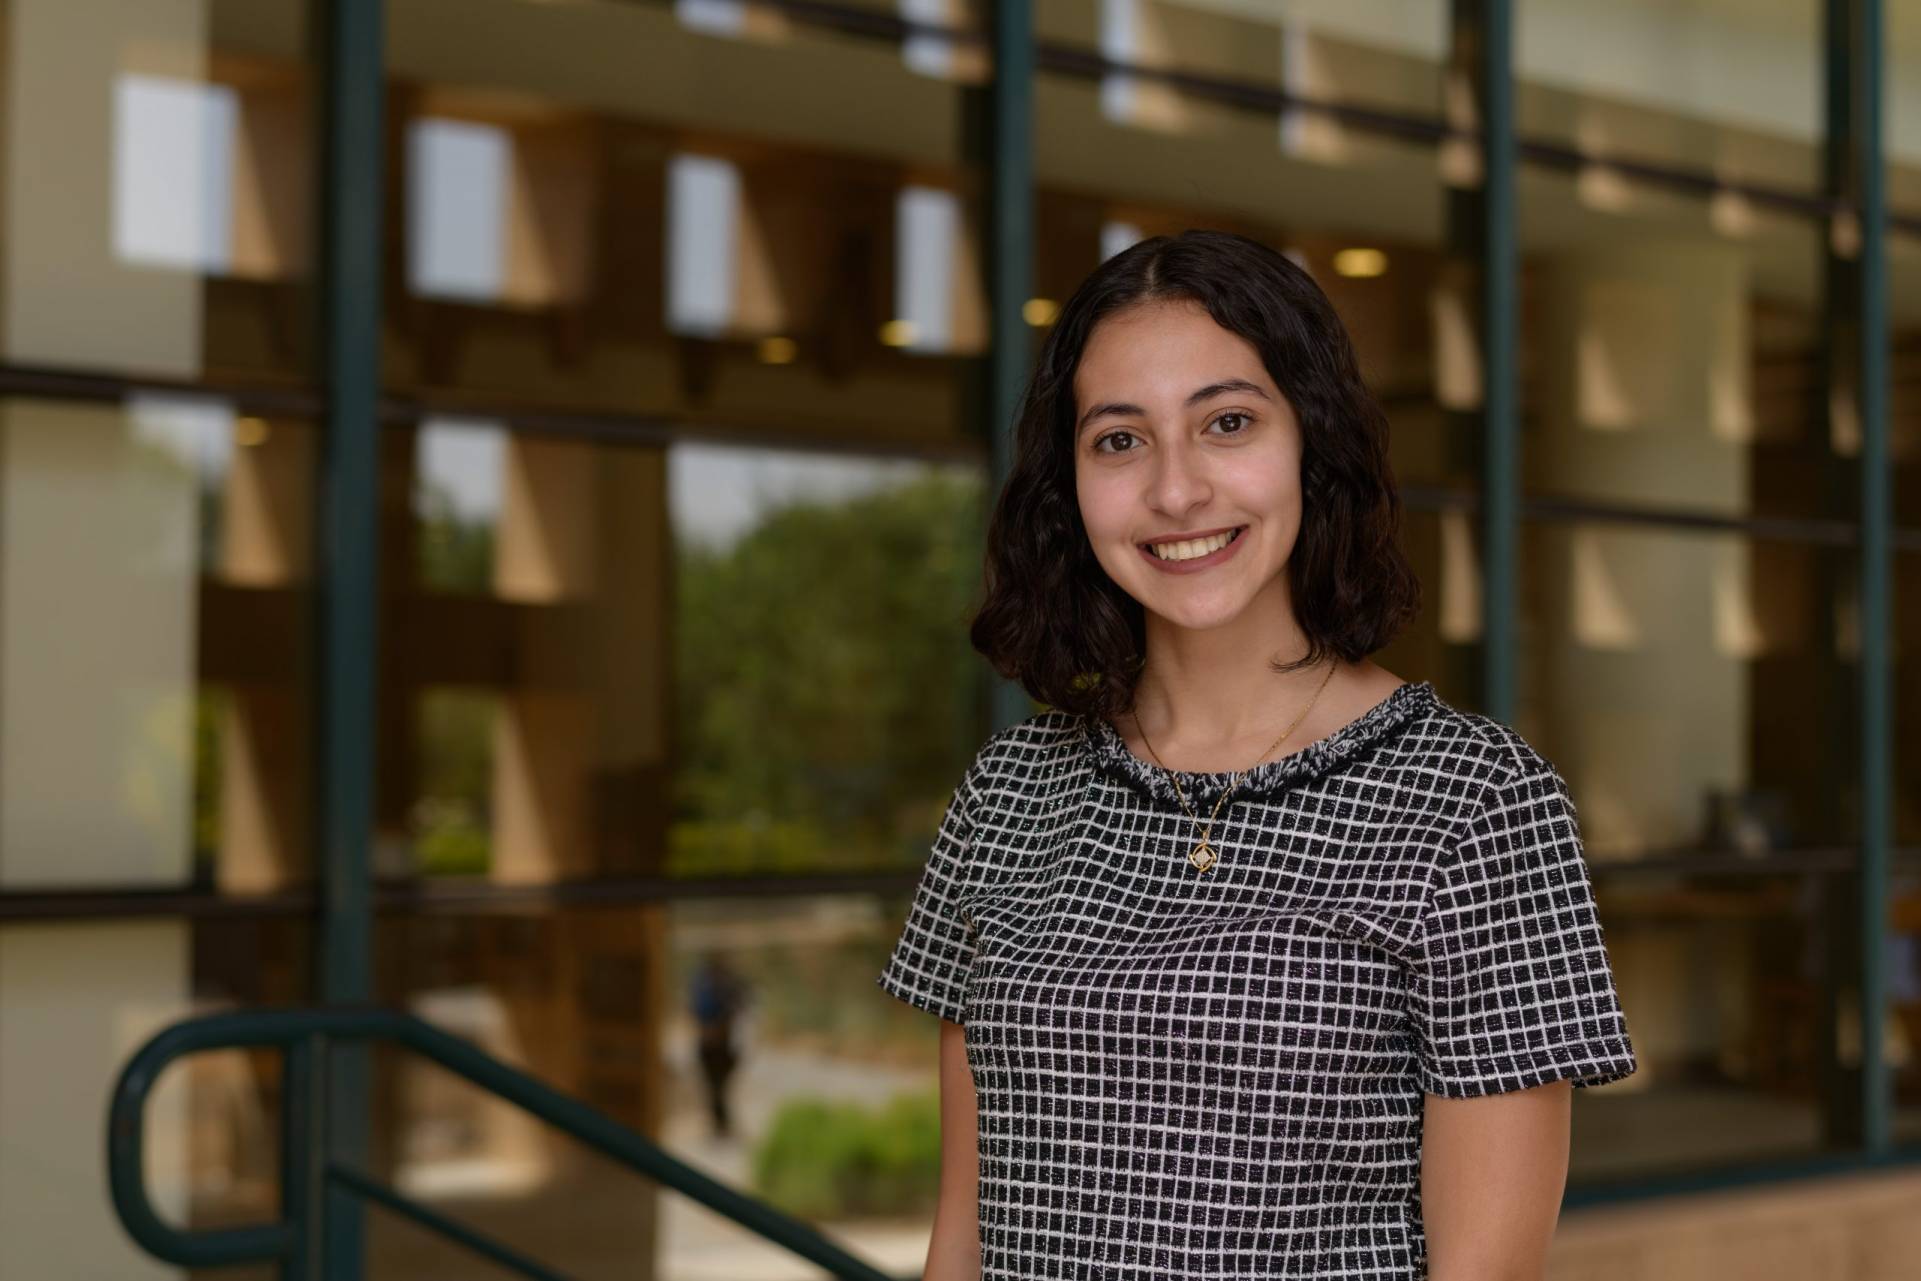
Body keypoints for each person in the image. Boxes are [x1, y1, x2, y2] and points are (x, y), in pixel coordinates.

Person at [876, 229, 1636, 1280]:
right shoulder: (1007, 791)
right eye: (1119, 440)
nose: (1177, 491)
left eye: (1226, 423)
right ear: (1070, 486)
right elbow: (960, 1243)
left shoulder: (1475, 802)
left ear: (1310, 444)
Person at [689, 952, 748, 1139]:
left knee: (718, 1088)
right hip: (714, 1046)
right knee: (715, 1088)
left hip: (720, 1046)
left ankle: (720, 1125)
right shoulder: (710, 987)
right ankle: (719, 1125)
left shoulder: (721, 988)